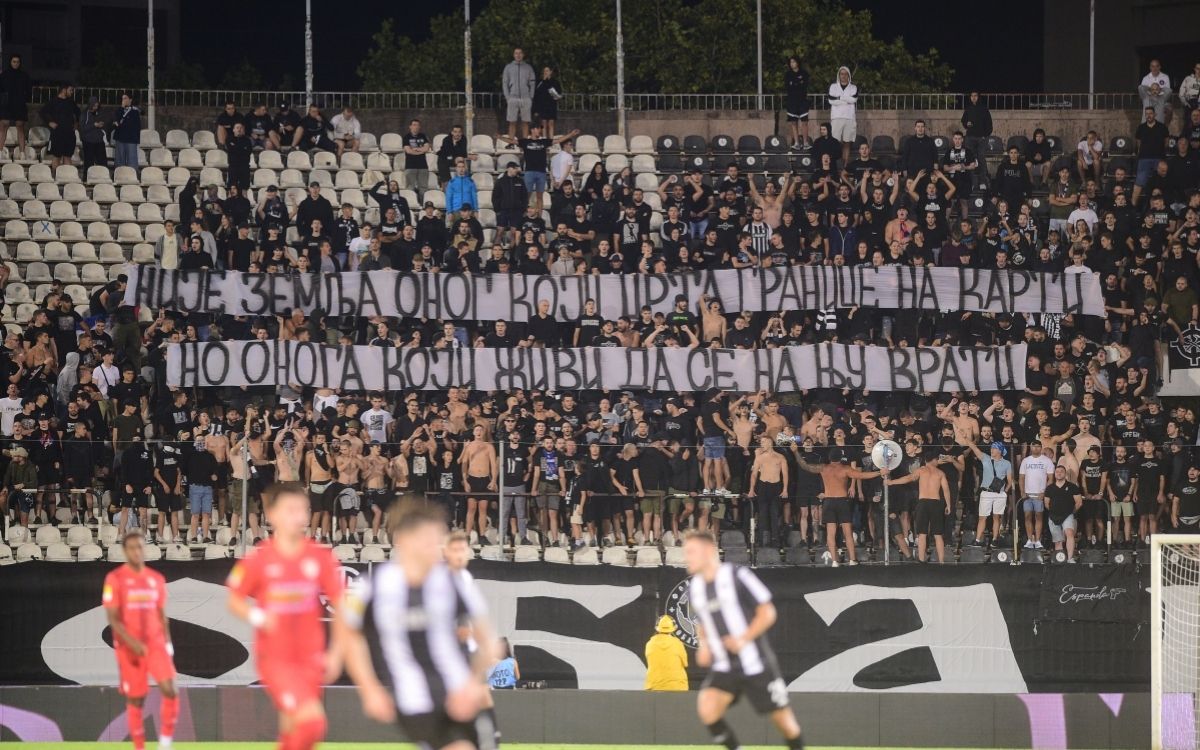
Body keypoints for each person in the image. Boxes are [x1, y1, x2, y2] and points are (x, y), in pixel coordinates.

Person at [336, 502, 497, 750]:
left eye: (437, 539)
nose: (435, 547)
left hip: (460, 692)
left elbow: (489, 641)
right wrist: (369, 689)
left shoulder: (456, 583)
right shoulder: (372, 586)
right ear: (403, 539)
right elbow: (348, 635)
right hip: (413, 699)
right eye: (427, 540)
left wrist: (473, 683)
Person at [227, 483, 345, 750]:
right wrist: (260, 617)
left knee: (294, 729)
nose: (299, 516)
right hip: (276, 658)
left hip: (311, 658)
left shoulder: (321, 557)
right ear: (272, 514)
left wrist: (336, 653)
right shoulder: (259, 559)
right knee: (312, 723)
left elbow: (342, 608)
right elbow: (234, 600)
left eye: (303, 509)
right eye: (291, 509)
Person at [684, 531, 806, 750]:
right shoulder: (695, 588)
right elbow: (702, 622)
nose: (687, 558)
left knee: (785, 724)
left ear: (709, 551)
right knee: (707, 709)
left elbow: (768, 612)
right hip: (725, 666)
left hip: (756, 663)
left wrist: (743, 638)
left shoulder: (736, 575)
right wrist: (704, 646)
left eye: (692, 552)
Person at [103, 531, 180, 750]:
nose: (136, 551)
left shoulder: (156, 579)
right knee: (137, 698)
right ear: (125, 551)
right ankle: (139, 747)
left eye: (139, 547)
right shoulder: (115, 579)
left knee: (171, 689)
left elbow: (162, 615)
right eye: (132, 548)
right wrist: (132, 643)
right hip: (129, 648)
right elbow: (113, 619)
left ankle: (165, 744)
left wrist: (168, 643)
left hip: (155, 644)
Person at [795, 454, 881, 566]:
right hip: (842, 502)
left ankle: (835, 561)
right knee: (848, 533)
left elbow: (805, 466)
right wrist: (879, 472)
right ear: (840, 458)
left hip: (829, 502)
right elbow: (861, 475)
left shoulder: (823, 468)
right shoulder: (845, 468)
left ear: (829, 458)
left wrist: (796, 452)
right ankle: (852, 560)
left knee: (831, 534)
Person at [884, 447, 952, 563]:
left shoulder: (921, 470)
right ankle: (941, 562)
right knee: (938, 534)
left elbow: (908, 478)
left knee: (922, 533)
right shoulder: (940, 473)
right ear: (934, 460)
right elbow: (946, 490)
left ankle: (921, 560)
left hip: (923, 503)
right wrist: (948, 505)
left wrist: (891, 482)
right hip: (936, 503)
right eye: (936, 460)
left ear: (925, 460)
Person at [961, 439, 1013, 548]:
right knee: (982, 517)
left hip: (999, 493)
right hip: (986, 492)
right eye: (991, 448)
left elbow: (1010, 480)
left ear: (1000, 450)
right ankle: (978, 539)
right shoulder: (986, 458)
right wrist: (967, 439)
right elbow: (974, 448)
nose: (992, 450)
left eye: (994, 448)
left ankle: (995, 540)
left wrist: (1005, 492)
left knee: (996, 517)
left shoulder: (1007, 463)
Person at [1018, 441, 1056, 550]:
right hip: (1027, 495)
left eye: (1038, 447)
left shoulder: (1047, 461)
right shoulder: (1026, 461)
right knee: (1027, 516)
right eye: (1034, 446)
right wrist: (1022, 492)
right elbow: (1021, 478)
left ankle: (1038, 540)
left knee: (1039, 516)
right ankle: (1030, 540)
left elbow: (1050, 479)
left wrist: (1044, 493)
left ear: (1041, 447)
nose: (1036, 449)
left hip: (1039, 495)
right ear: (1031, 447)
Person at [0, 54, 34, 158]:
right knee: (3, 127)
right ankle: (0, 151)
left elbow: (29, 90)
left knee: (20, 128)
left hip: (19, 104)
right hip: (6, 105)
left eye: (17, 62)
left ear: (20, 63)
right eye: (14, 61)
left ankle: (22, 153)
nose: (16, 64)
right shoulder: (3, 75)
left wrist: (24, 99)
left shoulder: (24, 75)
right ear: (10, 62)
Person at [644, 615, 688, 691]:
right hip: (677, 687)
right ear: (673, 628)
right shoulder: (678, 644)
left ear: (658, 628)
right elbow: (685, 663)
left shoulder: (649, 644)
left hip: (654, 686)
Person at [41, 84, 78, 170]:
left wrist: (76, 123)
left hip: (69, 134)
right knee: (57, 156)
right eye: (70, 90)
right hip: (58, 133)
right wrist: (49, 122)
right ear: (64, 90)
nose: (72, 92)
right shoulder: (53, 101)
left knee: (67, 156)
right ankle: (55, 175)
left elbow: (78, 113)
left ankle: (67, 176)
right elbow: (42, 112)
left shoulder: (71, 102)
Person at [827, 66, 857, 168]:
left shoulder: (853, 87)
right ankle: (834, 165)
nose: (843, 76)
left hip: (850, 118)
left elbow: (854, 100)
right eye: (841, 74)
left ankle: (845, 166)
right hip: (836, 117)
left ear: (848, 75)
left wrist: (839, 98)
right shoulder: (833, 86)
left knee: (847, 142)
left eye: (845, 74)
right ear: (839, 75)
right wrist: (846, 100)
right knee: (835, 143)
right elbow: (831, 100)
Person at [502, 48, 535, 138]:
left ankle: (525, 142)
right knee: (512, 122)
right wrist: (508, 97)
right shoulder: (508, 67)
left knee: (525, 122)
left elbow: (532, 83)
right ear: (514, 55)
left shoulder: (528, 67)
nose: (518, 55)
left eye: (520, 53)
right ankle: (511, 142)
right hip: (512, 98)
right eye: (516, 53)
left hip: (526, 98)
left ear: (523, 55)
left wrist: (531, 97)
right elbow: (505, 83)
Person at [784, 56, 810, 149]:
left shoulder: (804, 73)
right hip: (792, 101)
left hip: (802, 101)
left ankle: (805, 142)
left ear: (798, 63)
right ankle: (796, 143)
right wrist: (797, 83)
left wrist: (796, 84)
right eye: (791, 62)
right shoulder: (788, 74)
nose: (792, 64)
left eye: (794, 62)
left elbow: (804, 86)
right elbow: (788, 87)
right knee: (793, 122)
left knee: (804, 122)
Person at [112, 92, 141, 170]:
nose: (123, 100)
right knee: (119, 161)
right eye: (122, 99)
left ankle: (133, 175)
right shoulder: (119, 110)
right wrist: (122, 107)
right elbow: (115, 120)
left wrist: (136, 140)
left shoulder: (135, 111)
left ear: (130, 100)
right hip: (120, 138)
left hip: (131, 139)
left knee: (132, 161)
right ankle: (118, 174)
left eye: (125, 98)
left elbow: (137, 126)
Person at [532, 66, 563, 137]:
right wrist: (544, 80)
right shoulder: (540, 82)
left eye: (547, 71)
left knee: (551, 123)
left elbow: (559, 93)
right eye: (544, 71)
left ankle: (551, 139)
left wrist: (557, 96)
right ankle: (544, 138)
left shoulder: (555, 82)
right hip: (542, 105)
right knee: (543, 123)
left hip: (551, 105)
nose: (546, 72)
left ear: (551, 72)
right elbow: (536, 93)